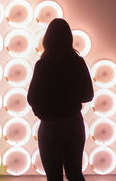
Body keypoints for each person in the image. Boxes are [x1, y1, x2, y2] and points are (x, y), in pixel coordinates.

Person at [28, 18, 94, 181]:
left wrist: (42, 113)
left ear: (47, 39)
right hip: (73, 125)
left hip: (50, 127)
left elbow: (31, 98)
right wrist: (70, 96)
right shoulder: (77, 62)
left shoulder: (42, 65)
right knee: (75, 174)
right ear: (69, 38)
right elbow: (88, 95)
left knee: (54, 177)